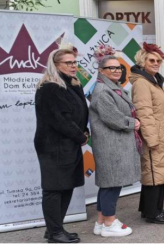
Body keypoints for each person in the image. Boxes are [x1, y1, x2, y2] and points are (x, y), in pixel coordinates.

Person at [34, 48, 88, 243]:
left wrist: (84, 132)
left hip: (68, 143)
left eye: (74, 62)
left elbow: (78, 114)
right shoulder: (50, 87)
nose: (74, 66)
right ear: (56, 65)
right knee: (54, 189)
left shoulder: (71, 84)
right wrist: (81, 137)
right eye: (68, 63)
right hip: (53, 146)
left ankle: (55, 229)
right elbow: (60, 120)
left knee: (66, 186)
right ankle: (55, 233)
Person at [89, 54, 141, 237]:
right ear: (101, 71)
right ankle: (110, 223)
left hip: (114, 143)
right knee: (112, 184)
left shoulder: (114, 87)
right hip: (111, 144)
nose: (116, 70)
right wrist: (132, 123)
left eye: (118, 67)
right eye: (111, 68)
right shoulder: (103, 91)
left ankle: (101, 221)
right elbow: (113, 118)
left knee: (108, 183)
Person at [130, 42, 164, 224]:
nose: (156, 63)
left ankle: (150, 208)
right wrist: (151, 138)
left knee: (159, 173)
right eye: (151, 60)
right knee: (154, 173)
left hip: (162, 133)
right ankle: (152, 213)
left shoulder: (154, 81)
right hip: (155, 136)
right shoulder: (142, 83)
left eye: (158, 60)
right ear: (143, 62)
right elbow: (144, 112)